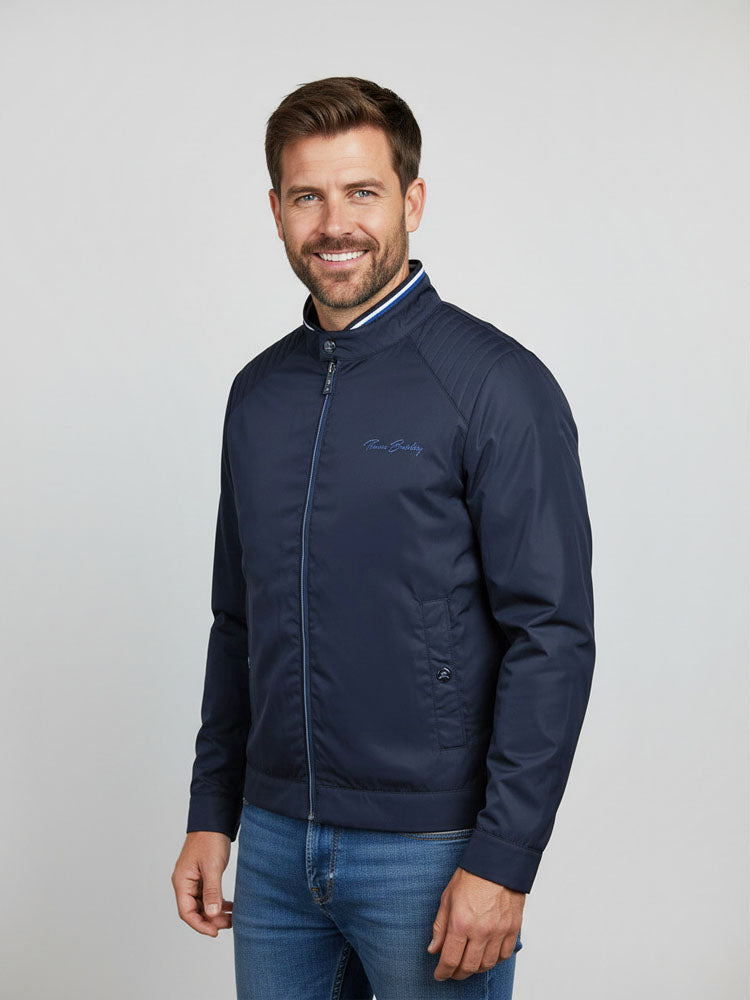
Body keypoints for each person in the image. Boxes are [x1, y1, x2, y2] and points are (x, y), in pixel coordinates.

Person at [171, 76, 596, 1000]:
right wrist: (213, 811)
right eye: (307, 196)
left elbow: (552, 636)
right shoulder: (258, 395)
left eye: (362, 192)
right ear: (276, 211)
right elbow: (237, 621)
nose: (335, 224)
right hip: (274, 846)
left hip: (431, 852)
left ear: (413, 200)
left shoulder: (496, 387)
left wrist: (504, 858)